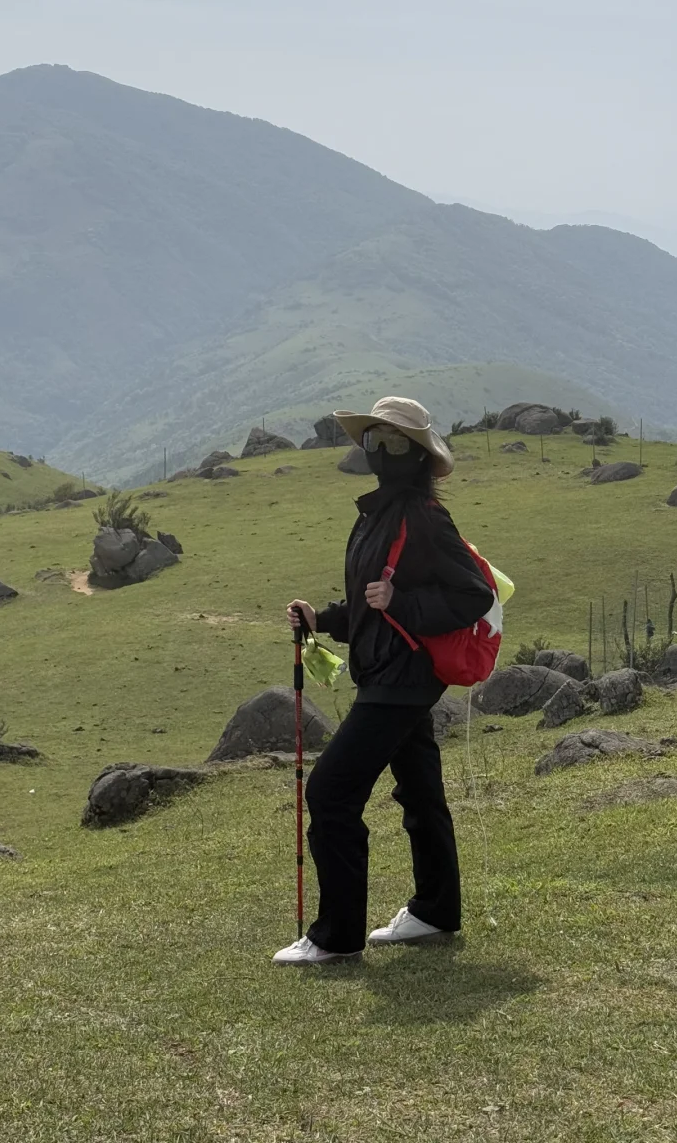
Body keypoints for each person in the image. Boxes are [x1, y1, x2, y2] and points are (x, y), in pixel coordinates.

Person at [274, 396, 495, 965]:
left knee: (329, 792)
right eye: (375, 440)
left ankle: (337, 935)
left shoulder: (422, 515)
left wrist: (405, 602)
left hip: (403, 679)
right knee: (420, 791)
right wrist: (324, 618)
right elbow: (369, 605)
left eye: (398, 443)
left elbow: (475, 594)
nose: (383, 451)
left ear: (419, 455)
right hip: (390, 673)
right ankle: (435, 911)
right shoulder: (376, 514)